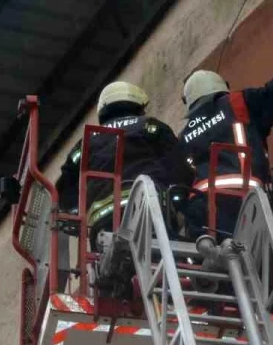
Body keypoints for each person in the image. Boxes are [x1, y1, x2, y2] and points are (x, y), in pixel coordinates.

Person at [179, 41, 273, 239]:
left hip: (204, 217)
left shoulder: (184, 137)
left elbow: (179, 183)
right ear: (221, 87)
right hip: (247, 200)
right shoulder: (238, 103)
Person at [56, 81, 193, 238]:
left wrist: (74, 213)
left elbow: (65, 186)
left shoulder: (87, 141)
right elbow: (178, 164)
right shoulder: (150, 126)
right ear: (137, 106)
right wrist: (180, 200)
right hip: (148, 205)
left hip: (102, 219)